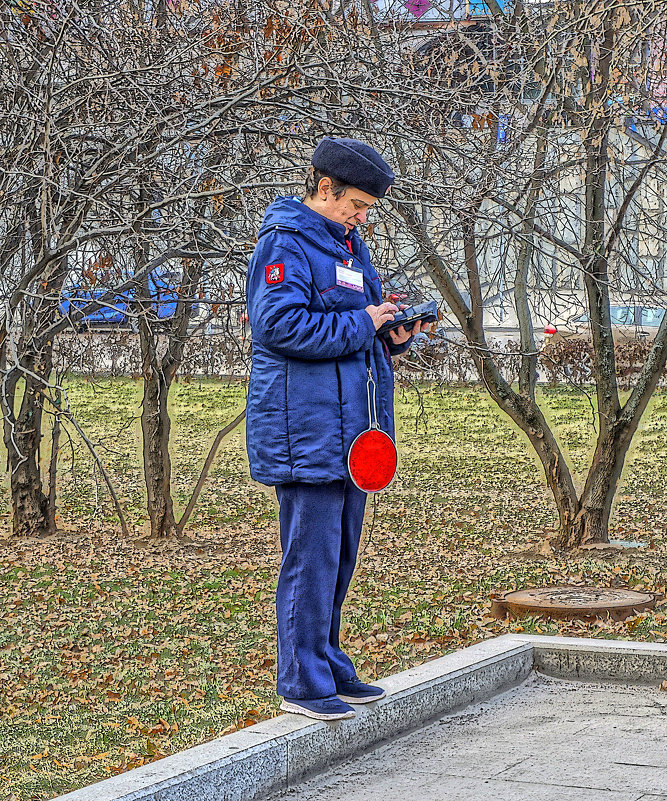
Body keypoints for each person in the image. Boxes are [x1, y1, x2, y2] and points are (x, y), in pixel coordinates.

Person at [245, 137, 430, 721]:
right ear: (325, 189)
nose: (363, 215)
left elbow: (354, 328)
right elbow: (278, 326)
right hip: (306, 427)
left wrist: (388, 335)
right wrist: (362, 323)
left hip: (353, 430)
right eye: (357, 204)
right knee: (311, 555)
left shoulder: (348, 250)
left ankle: (326, 659)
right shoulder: (285, 242)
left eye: (369, 208)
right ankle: (301, 681)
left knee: (341, 553)